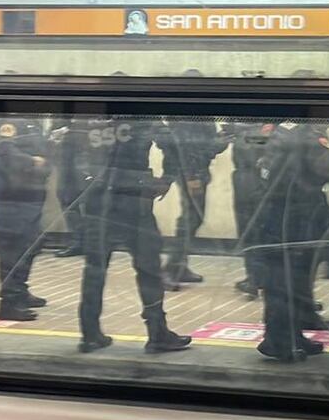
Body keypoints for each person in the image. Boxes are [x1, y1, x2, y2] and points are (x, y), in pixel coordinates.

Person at [245, 121, 329, 362]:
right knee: (285, 279)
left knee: (291, 278)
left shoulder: (282, 131)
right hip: (293, 216)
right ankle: (278, 341)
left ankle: (291, 335)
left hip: (278, 212)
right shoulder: (306, 135)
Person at [70, 116, 192, 354]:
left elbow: (69, 157)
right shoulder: (140, 117)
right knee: (148, 268)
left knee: (94, 269)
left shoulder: (88, 120)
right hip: (134, 201)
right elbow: (172, 146)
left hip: (98, 200)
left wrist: (80, 193)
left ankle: (89, 333)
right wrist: (166, 179)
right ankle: (157, 332)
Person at [0, 116, 51, 321]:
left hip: (29, 194)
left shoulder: (31, 118)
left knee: (30, 245)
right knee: (13, 249)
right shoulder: (9, 117)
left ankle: (19, 291)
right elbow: (5, 151)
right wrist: (32, 161)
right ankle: (9, 302)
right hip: (11, 197)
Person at [162, 118, 229, 285]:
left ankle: (179, 266)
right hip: (190, 171)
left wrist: (221, 141)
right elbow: (185, 148)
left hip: (196, 170)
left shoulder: (200, 115)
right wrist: (192, 176)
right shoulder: (188, 116)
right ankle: (171, 268)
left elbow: (206, 146)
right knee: (190, 218)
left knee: (193, 217)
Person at [221, 121, 273, 298]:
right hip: (254, 180)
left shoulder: (258, 129)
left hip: (252, 180)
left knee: (251, 231)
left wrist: (237, 131)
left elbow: (252, 152)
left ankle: (255, 279)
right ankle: (257, 278)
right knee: (255, 232)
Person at [50, 118, 84, 258]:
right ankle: (78, 242)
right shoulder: (62, 111)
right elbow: (52, 131)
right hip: (66, 164)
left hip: (87, 161)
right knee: (67, 201)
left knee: (94, 204)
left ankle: (85, 242)